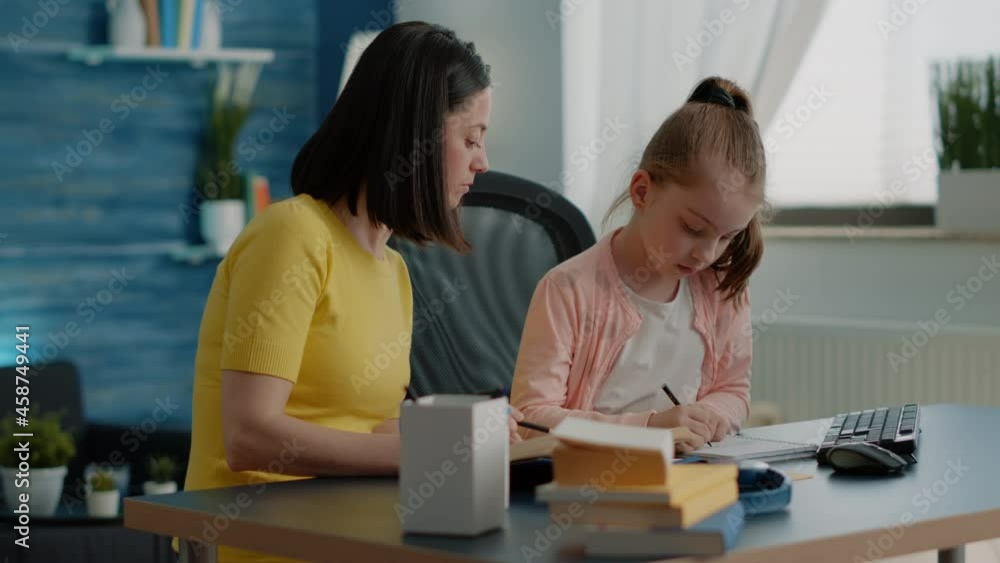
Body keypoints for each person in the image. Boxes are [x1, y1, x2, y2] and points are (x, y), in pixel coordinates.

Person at [181, 21, 520, 563]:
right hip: (259, 542)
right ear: (414, 136)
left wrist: (467, 436)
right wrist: (422, 455)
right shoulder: (292, 236)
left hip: (351, 531)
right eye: (472, 138)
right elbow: (249, 436)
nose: (482, 161)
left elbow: (368, 425)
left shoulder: (393, 271)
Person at [510, 76, 768, 453]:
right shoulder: (567, 290)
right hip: (591, 479)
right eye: (693, 228)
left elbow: (732, 390)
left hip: (688, 476)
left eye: (727, 237)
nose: (707, 254)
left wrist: (710, 416)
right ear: (642, 192)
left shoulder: (723, 290)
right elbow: (532, 419)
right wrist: (648, 428)